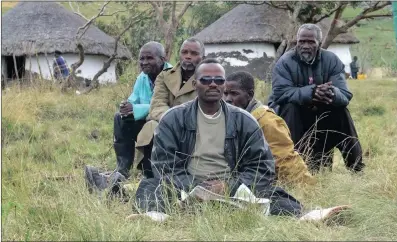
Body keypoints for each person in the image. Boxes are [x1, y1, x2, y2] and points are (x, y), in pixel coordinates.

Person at [132, 59, 349, 222]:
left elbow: (262, 167)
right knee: (151, 186)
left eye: (219, 80)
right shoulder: (173, 119)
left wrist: (227, 186)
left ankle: (307, 216)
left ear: (224, 83)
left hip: (233, 189)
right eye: (206, 80)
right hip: (187, 187)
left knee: (272, 194)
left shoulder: (244, 120)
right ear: (195, 84)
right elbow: (164, 167)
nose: (213, 85)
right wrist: (197, 187)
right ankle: (157, 216)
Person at [267, 24, 365, 173]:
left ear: (319, 43)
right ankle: (294, 168)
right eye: (302, 41)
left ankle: (356, 167)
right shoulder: (285, 62)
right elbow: (279, 94)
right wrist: (311, 92)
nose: (305, 46)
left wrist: (330, 92)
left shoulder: (331, 59)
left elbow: (344, 95)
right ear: (297, 41)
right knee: (290, 107)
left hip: (322, 112)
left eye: (311, 42)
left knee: (341, 111)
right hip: (293, 117)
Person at [84, 42, 172, 195]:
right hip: (145, 119)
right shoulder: (142, 78)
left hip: (163, 123)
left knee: (151, 124)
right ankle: (123, 168)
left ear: (162, 59)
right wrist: (126, 106)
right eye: (141, 59)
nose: (144, 62)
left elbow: (166, 106)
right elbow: (134, 98)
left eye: (149, 58)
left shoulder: (172, 76)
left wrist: (137, 109)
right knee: (120, 117)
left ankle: (148, 173)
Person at [223, 71, 315, 186]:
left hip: (275, 186)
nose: (228, 99)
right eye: (225, 93)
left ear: (250, 95)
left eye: (234, 94)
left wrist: (304, 191)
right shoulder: (233, 117)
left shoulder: (266, 121)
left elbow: (285, 161)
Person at [135, 38, 205, 176]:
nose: (188, 56)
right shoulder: (165, 76)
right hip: (167, 122)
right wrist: (173, 121)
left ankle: (180, 176)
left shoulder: (208, 79)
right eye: (184, 52)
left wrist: (185, 123)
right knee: (151, 127)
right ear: (179, 54)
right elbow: (157, 105)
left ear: (203, 57)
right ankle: (150, 175)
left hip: (195, 127)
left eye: (194, 53)